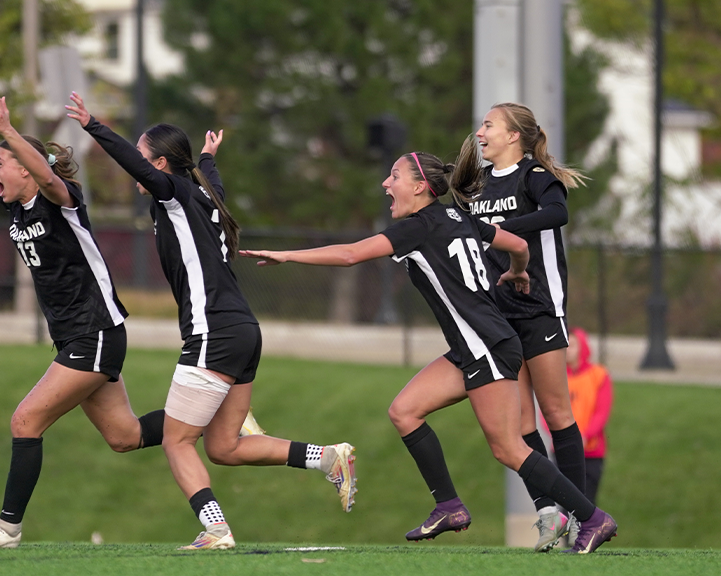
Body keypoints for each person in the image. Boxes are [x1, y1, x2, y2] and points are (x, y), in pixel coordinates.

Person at [240, 138, 617, 554]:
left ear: (420, 187)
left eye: (395, 176)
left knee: (508, 448)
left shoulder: (419, 227)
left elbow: (350, 255)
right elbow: (519, 245)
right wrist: (517, 273)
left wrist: (288, 256)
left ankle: (593, 518)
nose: (386, 183)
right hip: (475, 344)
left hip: (486, 346)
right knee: (404, 411)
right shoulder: (458, 216)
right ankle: (449, 505)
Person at [67, 92, 357, 550]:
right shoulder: (203, 192)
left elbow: (138, 168)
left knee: (178, 442)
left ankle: (216, 529)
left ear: (161, 164)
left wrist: (94, 127)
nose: (139, 170)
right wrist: (208, 157)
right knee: (224, 447)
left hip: (213, 333)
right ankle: (328, 459)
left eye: (146, 158)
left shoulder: (177, 193)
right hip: (243, 331)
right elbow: (212, 183)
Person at [0, 92, 166, 548]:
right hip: (81, 337)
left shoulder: (62, 199)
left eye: (3, 163)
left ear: (27, 168)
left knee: (25, 420)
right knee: (125, 436)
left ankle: (8, 528)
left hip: (94, 331)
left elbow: (47, 178)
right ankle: (219, 421)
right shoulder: (15, 203)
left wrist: (8, 133)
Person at [474, 102, 589, 551]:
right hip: (497, 312)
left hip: (537, 306)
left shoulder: (534, 176)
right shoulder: (479, 187)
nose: (480, 132)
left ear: (513, 136)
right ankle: (551, 514)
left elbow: (557, 213)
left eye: (488, 125)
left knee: (556, 413)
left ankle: (584, 518)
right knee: (521, 424)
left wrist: (502, 228)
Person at [565, 328, 613, 506]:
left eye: (572, 345)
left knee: (586, 503)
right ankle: (565, 535)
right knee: (565, 505)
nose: (567, 349)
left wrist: (585, 435)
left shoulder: (598, 375)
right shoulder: (556, 376)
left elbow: (602, 411)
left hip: (591, 451)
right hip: (564, 450)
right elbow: (547, 410)